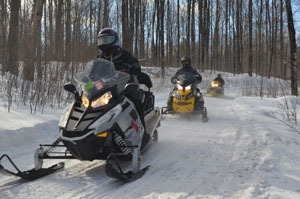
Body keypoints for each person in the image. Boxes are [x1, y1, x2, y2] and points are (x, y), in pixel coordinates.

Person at [97, 28, 148, 140]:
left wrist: (131, 67)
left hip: (126, 86)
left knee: (134, 101)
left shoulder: (124, 55)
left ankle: (143, 133)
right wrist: (86, 87)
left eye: (107, 39)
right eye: (102, 40)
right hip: (107, 88)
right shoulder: (100, 58)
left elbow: (135, 64)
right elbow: (92, 74)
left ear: (114, 40)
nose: (104, 42)